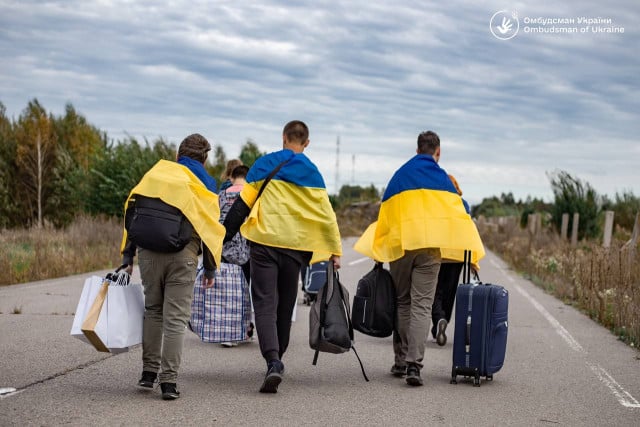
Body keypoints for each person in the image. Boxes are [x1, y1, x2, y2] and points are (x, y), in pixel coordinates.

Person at [354, 130, 484, 387]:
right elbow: (463, 210)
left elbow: (386, 213)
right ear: (438, 152)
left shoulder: (400, 175)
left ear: (417, 150)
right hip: (430, 251)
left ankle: (400, 361)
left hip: (402, 247)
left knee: (403, 301)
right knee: (423, 305)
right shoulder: (442, 180)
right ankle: (415, 365)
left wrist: (380, 248)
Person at [223, 120, 342, 394]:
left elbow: (242, 205)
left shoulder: (265, 164)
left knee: (264, 303)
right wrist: (335, 251)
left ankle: (273, 361)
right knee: (285, 306)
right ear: (306, 142)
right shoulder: (313, 173)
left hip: (264, 243)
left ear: (284, 137)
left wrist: (221, 238)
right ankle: (277, 360)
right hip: (295, 248)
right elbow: (327, 215)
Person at [120, 133, 225, 400]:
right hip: (183, 253)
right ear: (204, 158)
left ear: (178, 155)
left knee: (153, 310)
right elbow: (211, 227)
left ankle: (147, 374)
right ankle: (168, 382)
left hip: (148, 254)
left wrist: (127, 257)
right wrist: (211, 268)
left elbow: (132, 212)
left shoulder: (155, 173)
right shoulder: (205, 182)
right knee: (175, 318)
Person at [217, 164, 254, 347]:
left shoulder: (222, 195)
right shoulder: (251, 195)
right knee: (244, 290)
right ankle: (244, 329)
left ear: (232, 177)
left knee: (226, 291)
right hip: (247, 250)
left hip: (224, 248)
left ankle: (226, 332)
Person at [430, 175, 466, 346]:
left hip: (437, 252)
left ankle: (438, 320)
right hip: (457, 255)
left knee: (434, 292)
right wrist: (473, 259)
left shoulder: (436, 204)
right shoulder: (463, 205)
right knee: (449, 292)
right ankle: (441, 322)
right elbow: (469, 232)